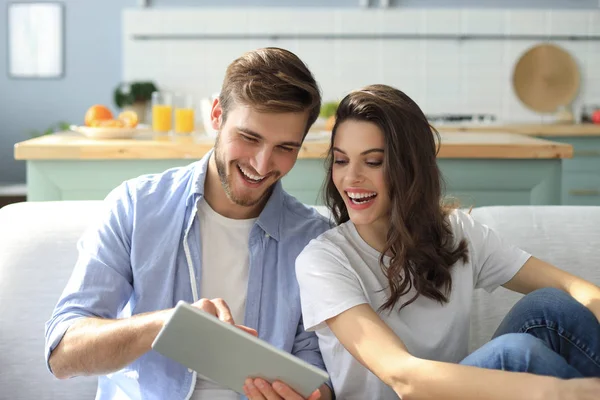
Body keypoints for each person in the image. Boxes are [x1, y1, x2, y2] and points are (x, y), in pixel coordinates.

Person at [45, 47, 334, 400]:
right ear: (216, 115)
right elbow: (63, 354)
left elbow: (319, 365)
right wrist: (166, 325)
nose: (262, 165)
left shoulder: (312, 237)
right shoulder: (136, 207)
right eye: (249, 137)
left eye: (285, 148)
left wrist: (316, 394)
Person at [295, 84, 600, 400]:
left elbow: (573, 288)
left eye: (372, 162)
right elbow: (402, 376)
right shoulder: (323, 261)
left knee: (551, 305)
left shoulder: (455, 232)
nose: (350, 178)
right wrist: (568, 391)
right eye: (341, 161)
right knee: (516, 354)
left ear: (409, 166)